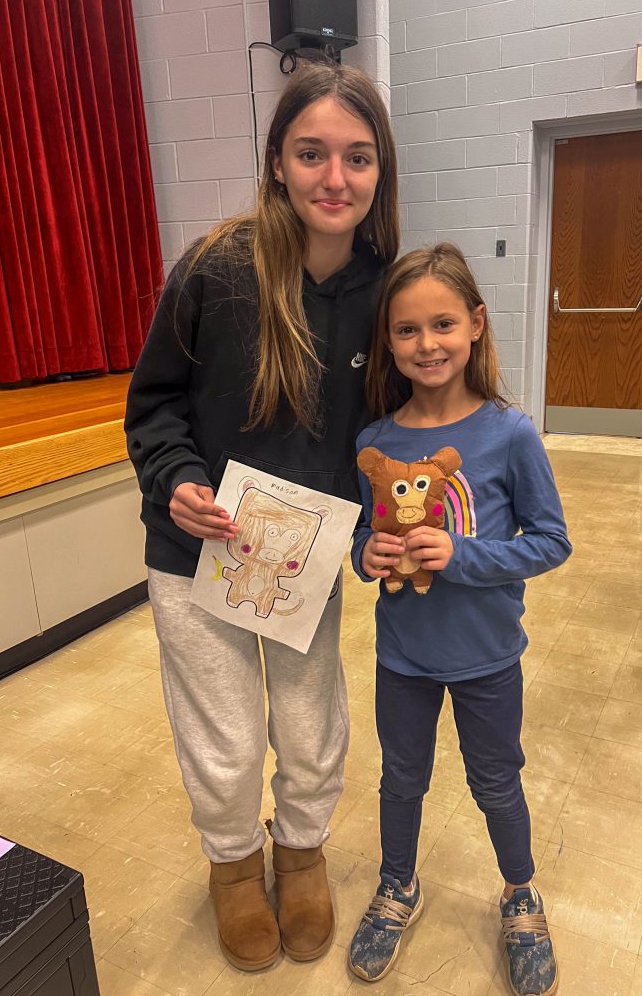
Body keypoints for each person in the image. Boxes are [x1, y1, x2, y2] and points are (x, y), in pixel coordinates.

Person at [124, 59, 399, 973]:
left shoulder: (383, 293)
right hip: (197, 551)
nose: (335, 177)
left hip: (303, 560)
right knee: (226, 732)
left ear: (379, 171)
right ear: (276, 160)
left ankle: (303, 849)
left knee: (312, 719)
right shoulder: (216, 270)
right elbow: (155, 403)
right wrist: (176, 482)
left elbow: (397, 431)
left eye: (357, 158)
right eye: (311, 152)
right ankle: (235, 867)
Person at [347, 243, 571, 996]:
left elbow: (551, 541)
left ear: (475, 324)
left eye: (443, 323)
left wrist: (462, 556)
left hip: (485, 655)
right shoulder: (375, 442)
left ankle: (520, 894)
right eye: (406, 331)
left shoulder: (510, 433)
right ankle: (397, 885)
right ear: (388, 340)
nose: (427, 344)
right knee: (400, 779)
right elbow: (359, 538)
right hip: (402, 655)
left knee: (497, 781)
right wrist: (366, 556)